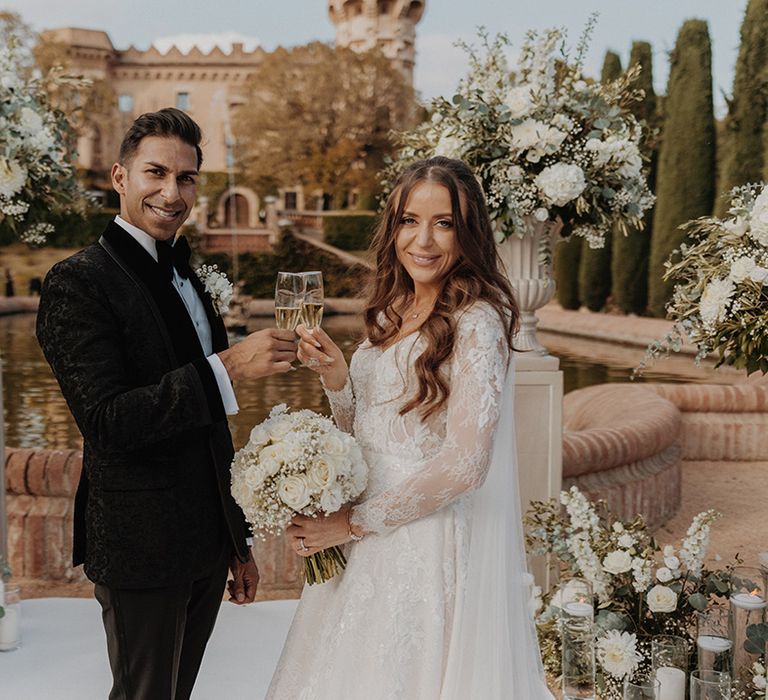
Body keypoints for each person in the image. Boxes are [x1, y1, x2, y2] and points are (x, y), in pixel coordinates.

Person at [267, 156, 553, 698]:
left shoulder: (479, 320)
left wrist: (351, 524)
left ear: (467, 233)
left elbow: (467, 464)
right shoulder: (394, 306)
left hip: (419, 542)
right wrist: (336, 378)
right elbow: (367, 432)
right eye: (409, 221)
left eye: (443, 223)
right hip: (365, 533)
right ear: (393, 227)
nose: (423, 240)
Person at [36, 108, 297, 700]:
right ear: (120, 177)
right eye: (155, 173)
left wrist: (236, 541)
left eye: (186, 179)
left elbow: (208, 427)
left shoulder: (189, 276)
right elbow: (107, 423)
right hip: (139, 542)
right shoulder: (77, 281)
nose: (171, 192)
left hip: (205, 540)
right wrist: (227, 367)